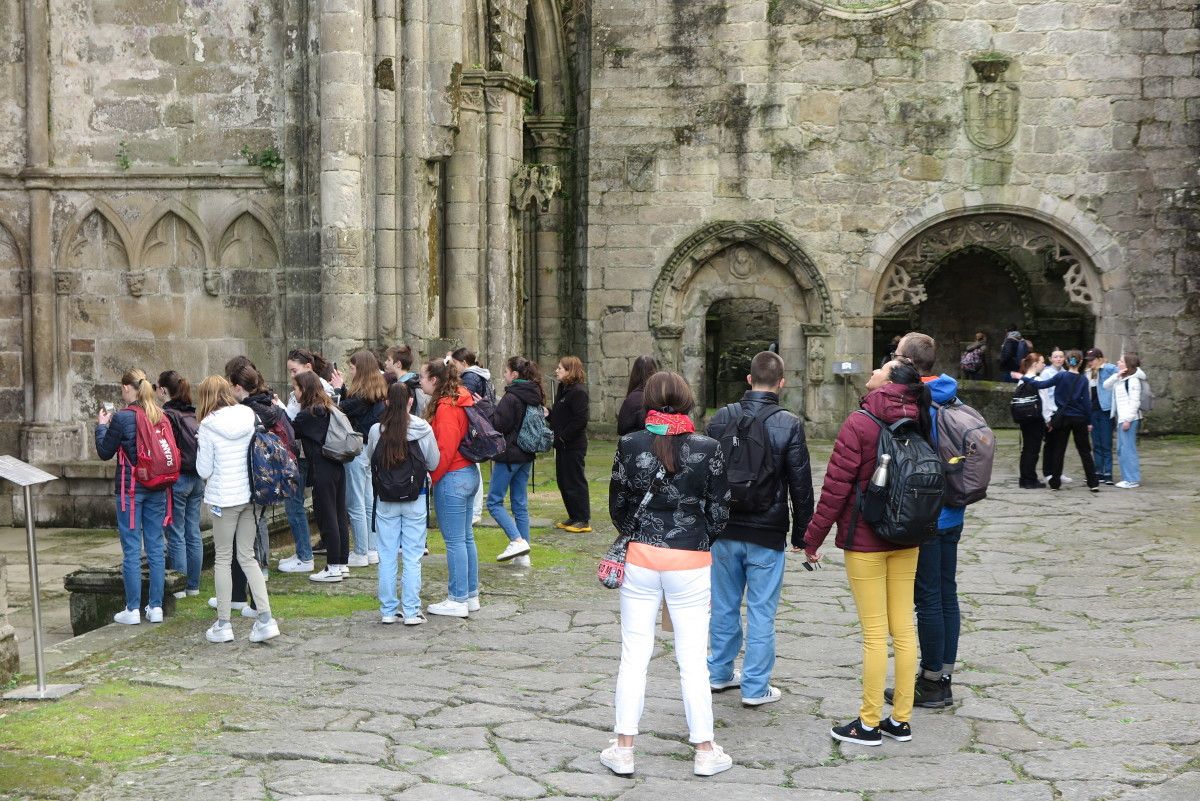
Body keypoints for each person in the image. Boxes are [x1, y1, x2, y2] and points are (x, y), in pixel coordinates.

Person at [603, 371, 733, 778]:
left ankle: (623, 747)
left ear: (648, 404)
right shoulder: (708, 447)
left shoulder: (630, 445)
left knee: (634, 653)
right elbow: (720, 509)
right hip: (690, 559)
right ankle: (705, 749)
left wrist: (640, 533)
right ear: (688, 400)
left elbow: (618, 503)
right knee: (693, 659)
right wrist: (699, 539)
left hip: (641, 556)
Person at [802, 359, 932, 746]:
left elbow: (836, 488)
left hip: (866, 540)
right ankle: (901, 720)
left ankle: (868, 723)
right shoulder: (920, 416)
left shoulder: (860, 422)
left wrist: (813, 539)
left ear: (888, 381)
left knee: (875, 635)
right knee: (904, 630)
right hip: (907, 537)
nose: (874, 369)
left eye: (883, 366)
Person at [704, 351, 813, 707]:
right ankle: (754, 688)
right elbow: (800, 484)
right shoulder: (789, 424)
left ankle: (718, 673)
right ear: (781, 383)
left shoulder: (721, 418)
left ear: (748, 380)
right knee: (762, 611)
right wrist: (802, 535)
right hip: (766, 530)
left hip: (723, 528)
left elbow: (704, 472)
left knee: (723, 604)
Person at [888, 332, 966, 709]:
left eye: (895, 354)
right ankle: (943, 675)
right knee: (947, 593)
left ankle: (932, 682)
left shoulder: (919, 401)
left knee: (929, 599)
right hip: (954, 511)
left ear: (906, 361)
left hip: (928, 512)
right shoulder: (950, 393)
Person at [194, 375, 279, 644]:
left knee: (222, 558)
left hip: (224, 498)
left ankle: (223, 624)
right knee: (247, 556)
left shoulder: (207, 426)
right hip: (250, 495)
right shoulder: (247, 413)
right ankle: (265, 618)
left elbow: (203, 470)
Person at [95, 368, 170, 625]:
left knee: (131, 550)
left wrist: (101, 426)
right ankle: (156, 607)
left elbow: (105, 452)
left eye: (122, 388)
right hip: (158, 488)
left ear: (128, 388)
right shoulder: (160, 414)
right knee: (156, 547)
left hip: (130, 490)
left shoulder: (123, 417)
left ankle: (132, 609)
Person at [368, 381, 440, 625]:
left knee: (387, 555)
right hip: (415, 496)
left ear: (387, 401)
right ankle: (410, 611)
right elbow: (433, 462)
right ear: (411, 401)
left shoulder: (377, 430)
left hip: (386, 498)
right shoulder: (422, 429)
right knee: (412, 556)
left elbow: (370, 459)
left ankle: (388, 610)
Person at [422, 358, 483, 617]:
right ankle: (469, 596)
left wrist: (433, 476)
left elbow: (445, 448)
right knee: (466, 538)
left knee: (456, 541)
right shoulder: (460, 397)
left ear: (434, 380)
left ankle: (457, 599)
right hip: (466, 472)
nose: (420, 381)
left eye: (422, 377)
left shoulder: (447, 405)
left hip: (453, 475)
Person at [291, 371, 352, 582]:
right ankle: (342, 562)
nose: (294, 392)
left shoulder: (308, 414)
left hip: (323, 469)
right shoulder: (327, 407)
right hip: (337, 466)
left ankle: (333, 565)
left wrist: (280, 409)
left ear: (305, 390)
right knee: (339, 515)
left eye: (296, 388)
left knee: (327, 517)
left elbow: (291, 431)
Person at [488, 356, 546, 567]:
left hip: (509, 455)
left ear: (514, 374)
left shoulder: (511, 397)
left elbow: (499, 424)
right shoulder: (535, 393)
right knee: (520, 504)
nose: (504, 375)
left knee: (494, 502)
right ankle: (524, 556)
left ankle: (517, 540)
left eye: (505, 371)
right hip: (526, 455)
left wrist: (488, 408)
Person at [1015, 350, 1099, 491]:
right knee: (1085, 451)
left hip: (1063, 417)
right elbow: (1087, 403)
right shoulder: (1084, 379)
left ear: (1067, 361)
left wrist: (1025, 378)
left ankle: (1055, 482)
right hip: (1079, 418)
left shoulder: (1061, 376)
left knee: (1059, 450)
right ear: (1080, 362)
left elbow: (1042, 385)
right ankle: (1093, 482)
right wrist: (1089, 421)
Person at [336, 350, 387, 567]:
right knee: (367, 501)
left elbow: (342, 409)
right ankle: (371, 548)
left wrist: (339, 389)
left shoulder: (362, 395)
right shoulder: (375, 391)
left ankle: (360, 552)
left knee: (355, 502)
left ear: (362, 370)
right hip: (369, 449)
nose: (350, 371)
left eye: (353, 368)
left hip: (358, 450)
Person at [157, 371, 203, 598]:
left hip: (178, 479)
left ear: (163, 390)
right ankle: (193, 585)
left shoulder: (167, 415)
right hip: (197, 478)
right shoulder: (192, 412)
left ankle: (180, 588)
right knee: (193, 532)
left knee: (176, 534)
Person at [448, 347, 494, 526]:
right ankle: (474, 510)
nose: (453, 368)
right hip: (477, 424)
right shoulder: (480, 375)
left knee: (473, 465)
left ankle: (474, 511)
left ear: (464, 363)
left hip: (471, 426)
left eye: (455, 365)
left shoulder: (470, 377)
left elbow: (459, 398)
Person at [549, 355, 591, 532]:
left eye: (560, 368)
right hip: (562, 444)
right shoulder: (563, 389)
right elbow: (560, 415)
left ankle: (582, 518)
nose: (556, 370)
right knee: (563, 481)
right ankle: (573, 515)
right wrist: (548, 414)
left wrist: (563, 437)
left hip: (573, 444)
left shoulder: (578, 392)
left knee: (575, 481)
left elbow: (580, 420)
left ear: (569, 370)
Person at [1104, 352, 1146, 489]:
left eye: (1121, 361)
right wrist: (1117, 375)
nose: (1117, 362)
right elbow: (1106, 385)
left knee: (1128, 449)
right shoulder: (1122, 378)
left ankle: (1132, 479)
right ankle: (1126, 477)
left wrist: (1128, 420)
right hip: (1122, 418)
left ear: (1127, 364)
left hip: (1129, 419)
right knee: (1122, 449)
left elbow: (1135, 402)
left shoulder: (1133, 380)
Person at [1085, 348, 1119, 485]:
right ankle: (1098, 472)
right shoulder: (1088, 373)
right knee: (1096, 444)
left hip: (1106, 410)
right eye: (1089, 360)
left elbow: (1121, 372)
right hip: (1093, 412)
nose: (1090, 363)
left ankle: (1108, 473)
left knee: (1106, 443)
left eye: (1092, 360)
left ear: (1099, 359)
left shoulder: (1109, 369)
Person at [1015, 352, 1047, 489]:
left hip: (1024, 418)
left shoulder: (1022, 380)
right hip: (1036, 418)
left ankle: (1024, 478)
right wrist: (1048, 419)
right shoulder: (1037, 381)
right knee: (1033, 450)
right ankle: (1030, 479)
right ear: (1035, 364)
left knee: (1026, 449)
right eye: (1042, 362)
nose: (1044, 365)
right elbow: (1045, 402)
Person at [1037, 349, 1070, 484]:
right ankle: (1048, 472)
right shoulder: (1046, 373)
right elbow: (1044, 394)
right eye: (1056, 357)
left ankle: (1058, 472)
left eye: (1061, 357)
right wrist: (1047, 416)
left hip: (1063, 412)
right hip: (1051, 412)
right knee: (1050, 444)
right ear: (1050, 359)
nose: (1059, 359)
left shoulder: (1065, 373)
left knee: (1061, 445)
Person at [616, 355, 660, 436]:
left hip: (639, 445)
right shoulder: (662, 396)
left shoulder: (633, 399)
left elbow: (622, 429)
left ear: (634, 373)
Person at [384, 344, 429, 414]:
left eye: (389, 360)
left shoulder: (402, 387)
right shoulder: (415, 379)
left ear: (398, 364)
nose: (385, 362)